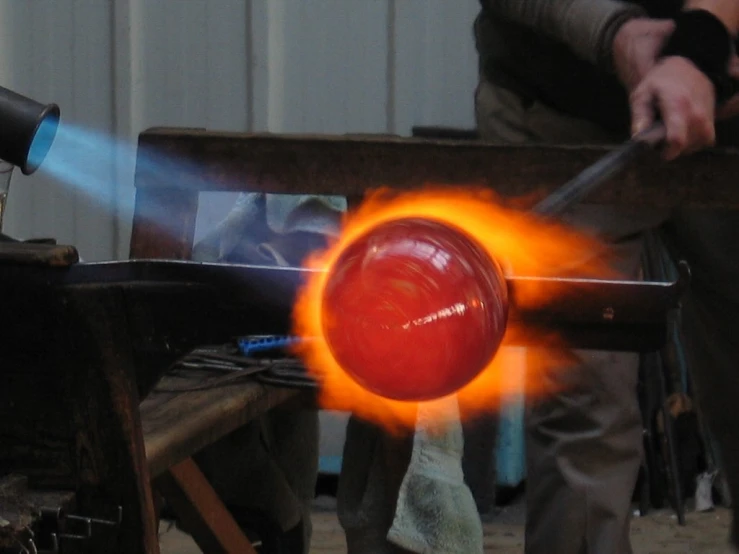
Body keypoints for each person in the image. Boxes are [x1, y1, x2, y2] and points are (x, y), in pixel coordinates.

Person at [474, 1, 739, 553]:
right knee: (582, 427)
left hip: (728, 117)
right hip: (559, 108)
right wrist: (616, 35)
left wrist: (702, 43)